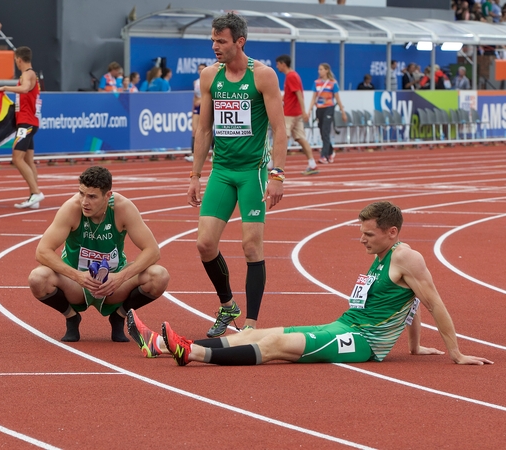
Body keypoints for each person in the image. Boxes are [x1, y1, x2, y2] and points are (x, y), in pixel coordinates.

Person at [127, 201, 494, 368]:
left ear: (391, 232)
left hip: (360, 342)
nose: (362, 240)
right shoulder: (387, 257)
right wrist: (414, 348)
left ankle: (190, 353)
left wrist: (456, 353)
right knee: (254, 334)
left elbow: (433, 303)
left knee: (272, 345)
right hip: (344, 325)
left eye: (368, 234)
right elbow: (410, 303)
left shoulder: (406, 258)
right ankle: (160, 344)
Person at [188, 12, 287, 337]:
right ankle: (228, 304)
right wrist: (195, 174)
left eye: (222, 41)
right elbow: (203, 131)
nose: (215, 46)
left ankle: (252, 325)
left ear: (239, 42)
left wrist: (278, 174)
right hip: (222, 171)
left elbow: (279, 129)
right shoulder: (208, 77)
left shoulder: (263, 76)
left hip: (252, 172)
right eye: (213, 40)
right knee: (204, 244)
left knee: (250, 246)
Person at [29, 166, 170, 342]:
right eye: (81, 193)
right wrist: (78, 276)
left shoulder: (123, 208)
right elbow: (42, 252)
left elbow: (152, 251)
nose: (84, 202)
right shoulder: (72, 208)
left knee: (159, 276)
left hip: (112, 283)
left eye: (92, 196)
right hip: (76, 283)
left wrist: (120, 277)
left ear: (108, 196)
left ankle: (119, 316)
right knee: (38, 278)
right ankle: (72, 317)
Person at [0, 46, 45, 210]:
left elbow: (24, 89)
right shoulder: (32, 75)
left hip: (27, 123)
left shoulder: (27, 74)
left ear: (19, 59)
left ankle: (35, 192)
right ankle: (35, 196)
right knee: (28, 160)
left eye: (15, 61)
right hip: (30, 122)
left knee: (17, 158)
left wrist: (5, 88)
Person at [276, 55, 318, 175]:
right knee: (300, 138)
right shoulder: (292, 75)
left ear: (283, 64)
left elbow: (299, 94)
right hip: (296, 112)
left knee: (281, 138)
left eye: (278, 64)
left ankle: (272, 165)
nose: (277, 66)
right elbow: (290, 95)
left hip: (290, 113)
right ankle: (312, 163)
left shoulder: (291, 76)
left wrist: (304, 111)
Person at [307, 62, 346, 164]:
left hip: (329, 108)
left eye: (321, 69)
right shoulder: (316, 83)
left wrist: (343, 112)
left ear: (326, 70)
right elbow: (313, 98)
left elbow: (338, 98)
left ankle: (323, 156)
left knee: (325, 130)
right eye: (319, 69)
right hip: (319, 109)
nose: (319, 71)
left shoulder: (333, 83)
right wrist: (309, 110)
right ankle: (331, 151)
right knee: (322, 132)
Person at [185, 63, 207, 163]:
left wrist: (202, 100)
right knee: (194, 130)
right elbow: (195, 96)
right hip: (197, 108)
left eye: (203, 68)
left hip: (206, 106)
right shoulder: (196, 82)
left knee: (206, 130)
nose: (200, 70)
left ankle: (211, 153)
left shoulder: (209, 80)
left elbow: (209, 95)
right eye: (199, 69)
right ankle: (193, 154)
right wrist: (192, 108)